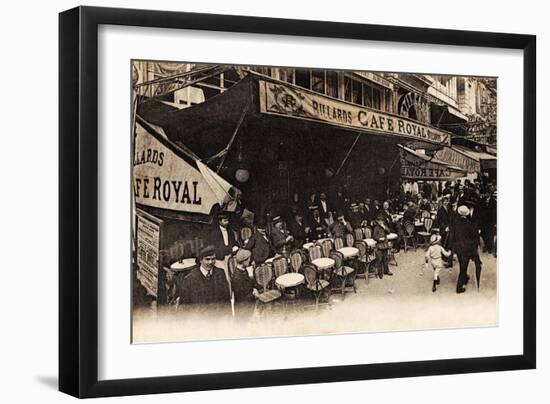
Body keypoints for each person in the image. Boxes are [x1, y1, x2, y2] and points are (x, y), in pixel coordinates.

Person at [449, 205, 481, 293]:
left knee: (462, 265)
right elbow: (474, 238)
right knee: (463, 268)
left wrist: (453, 249)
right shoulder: (469, 224)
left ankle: (465, 278)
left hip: (458, 249)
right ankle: (459, 287)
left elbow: (453, 236)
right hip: (466, 249)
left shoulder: (456, 223)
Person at [372, 213, 393, 278]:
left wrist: (384, 227)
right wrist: (379, 239)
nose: (381, 222)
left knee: (385, 258)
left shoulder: (384, 227)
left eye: (382, 221)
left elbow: (389, 232)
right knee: (379, 259)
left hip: (385, 244)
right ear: (377, 221)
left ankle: (386, 271)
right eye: (379, 221)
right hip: (379, 245)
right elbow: (374, 236)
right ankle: (379, 272)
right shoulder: (376, 228)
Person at [434, 196, 453, 265]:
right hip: (443, 229)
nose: (446, 202)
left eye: (447, 201)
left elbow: (451, 218)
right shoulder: (440, 210)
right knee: (444, 242)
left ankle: (448, 257)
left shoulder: (450, 209)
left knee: (449, 243)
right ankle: (443, 257)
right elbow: (439, 220)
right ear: (442, 202)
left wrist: (449, 226)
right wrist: (445, 227)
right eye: (444, 201)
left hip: (449, 228)